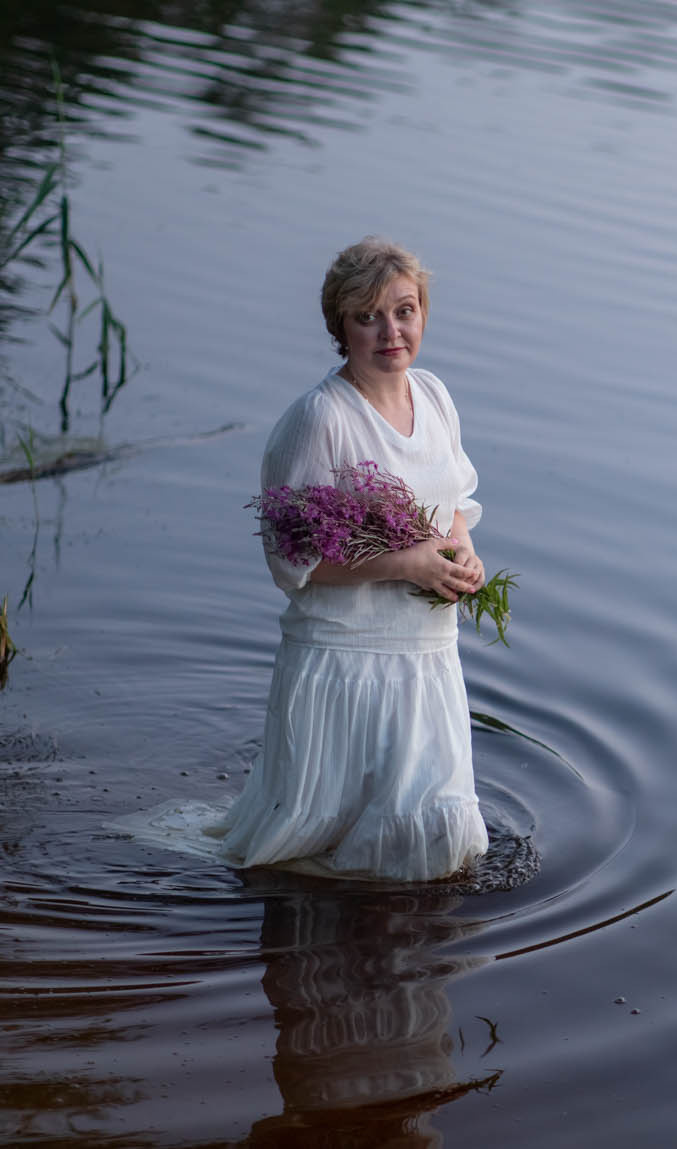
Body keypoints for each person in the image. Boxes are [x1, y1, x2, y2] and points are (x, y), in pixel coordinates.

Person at [210, 237, 491, 881]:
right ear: (341, 326)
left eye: (405, 310)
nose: (391, 331)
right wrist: (405, 564)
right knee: (332, 854)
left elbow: (453, 505)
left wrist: (464, 558)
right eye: (369, 317)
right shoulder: (318, 419)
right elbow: (291, 565)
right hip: (346, 663)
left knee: (439, 836)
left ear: (423, 313)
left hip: (427, 658)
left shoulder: (437, 397)